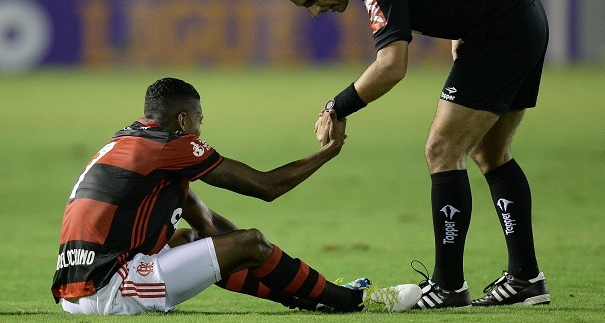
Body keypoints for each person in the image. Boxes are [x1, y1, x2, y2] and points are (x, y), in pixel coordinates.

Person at [273, 0, 550, 309]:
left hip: (499, 32)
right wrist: (464, 23)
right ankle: (526, 277)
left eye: (312, 0)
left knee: (442, 150)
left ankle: (449, 286)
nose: (317, 11)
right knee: (490, 152)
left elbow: (391, 66)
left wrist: (337, 106)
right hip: (523, 17)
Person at [51, 77, 421, 315]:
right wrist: (327, 152)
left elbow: (209, 226)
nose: (199, 130)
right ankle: (352, 302)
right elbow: (266, 187)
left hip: (77, 290)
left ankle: (307, 299)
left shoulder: (126, 142)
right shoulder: (171, 145)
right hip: (108, 289)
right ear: (182, 121)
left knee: (204, 240)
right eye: (198, 121)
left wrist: (278, 274)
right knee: (252, 242)